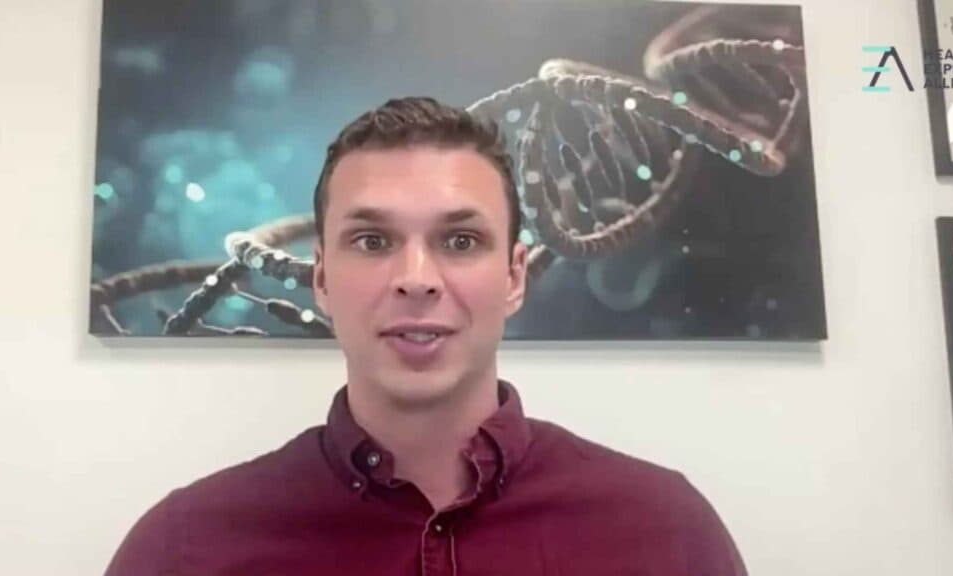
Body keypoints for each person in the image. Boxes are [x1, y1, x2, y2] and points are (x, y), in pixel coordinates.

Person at [104, 97, 748, 575]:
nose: (416, 279)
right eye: (372, 241)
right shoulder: (183, 549)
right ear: (322, 279)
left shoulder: (667, 534)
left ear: (514, 277)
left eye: (460, 241)